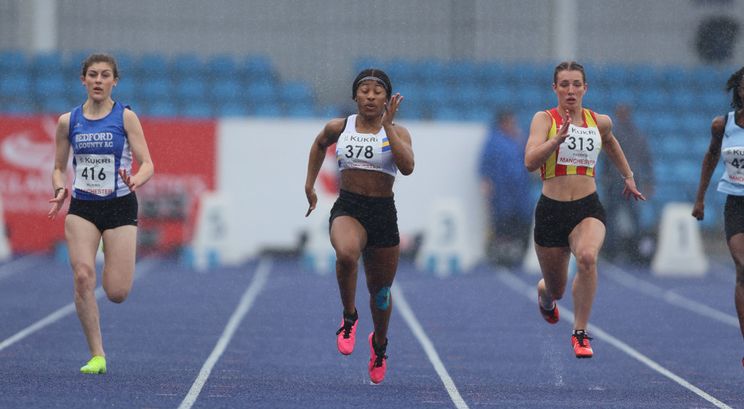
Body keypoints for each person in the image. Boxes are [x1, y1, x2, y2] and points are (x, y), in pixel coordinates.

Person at [524, 61, 645, 358]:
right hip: (551, 212)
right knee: (557, 289)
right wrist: (556, 140)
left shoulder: (598, 121)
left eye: (576, 84)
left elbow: (611, 143)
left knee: (588, 258)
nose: (570, 90)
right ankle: (544, 294)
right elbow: (529, 162)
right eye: (564, 84)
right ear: (555, 88)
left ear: (585, 88)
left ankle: (580, 333)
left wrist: (628, 177)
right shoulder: (544, 119)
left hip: (587, 208)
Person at [304, 68, 414, 383]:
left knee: (381, 294)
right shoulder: (341, 127)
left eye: (376, 92)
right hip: (349, 206)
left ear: (387, 99)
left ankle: (379, 344)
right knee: (347, 254)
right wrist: (309, 185)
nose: (369, 96)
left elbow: (407, 167)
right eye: (364, 90)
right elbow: (318, 144)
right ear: (355, 96)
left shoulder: (399, 132)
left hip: (382, 212)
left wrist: (389, 127)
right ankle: (349, 317)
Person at [48, 53, 154, 374]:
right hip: (82, 206)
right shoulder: (68, 121)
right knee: (82, 275)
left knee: (117, 293)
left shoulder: (125, 118)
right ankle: (97, 355)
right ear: (83, 80)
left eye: (105, 75)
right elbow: (57, 167)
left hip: (120, 205)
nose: (98, 80)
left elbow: (148, 162)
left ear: (114, 81)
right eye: (92, 74)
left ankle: (110, 244)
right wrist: (58, 189)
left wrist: (136, 178)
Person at [692, 66, 744, 367]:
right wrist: (699, 199)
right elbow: (711, 157)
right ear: (737, 90)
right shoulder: (722, 125)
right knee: (742, 265)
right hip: (736, 203)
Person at [598, 104, 655, 265]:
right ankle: (627, 252)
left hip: (622, 183)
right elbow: (647, 161)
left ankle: (625, 252)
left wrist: (649, 181)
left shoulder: (616, 135)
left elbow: (646, 160)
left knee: (623, 219)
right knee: (616, 220)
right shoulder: (635, 134)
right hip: (622, 183)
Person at [478, 109, 534, 267]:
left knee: (522, 222)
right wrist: (486, 183)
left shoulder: (519, 139)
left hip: (521, 191)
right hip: (502, 191)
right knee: (502, 224)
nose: (513, 124)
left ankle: (519, 255)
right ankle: (501, 256)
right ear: (503, 122)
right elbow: (485, 165)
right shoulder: (493, 141)